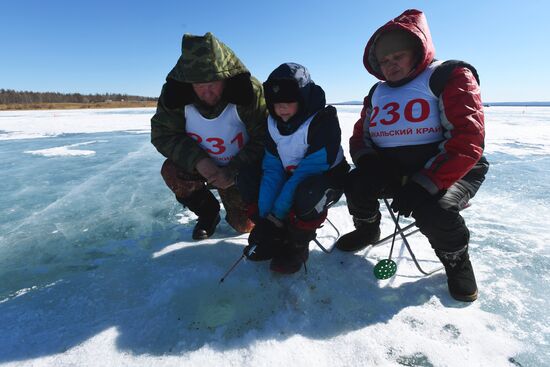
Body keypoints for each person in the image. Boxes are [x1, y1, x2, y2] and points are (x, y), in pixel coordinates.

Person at [335, 9, 489, 302]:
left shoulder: (448, 75)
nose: (391, 65)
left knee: (436, 209)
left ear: (418, 52)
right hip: (395, 170)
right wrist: (369, 163)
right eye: (385, 60)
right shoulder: (377, 91)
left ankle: (456, 262)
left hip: (453, 170)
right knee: (356, 183)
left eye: (398, 57)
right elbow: (360, 136)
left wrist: (425, 182)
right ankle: (367, 230)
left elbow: (467, 140)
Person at [151, 32, 267, 240]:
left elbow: (266, 137)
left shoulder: (249, 92)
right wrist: (199, 161)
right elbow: (163, 135)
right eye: (199, 84)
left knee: (243, 225)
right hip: (202, 168)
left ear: (226, 76)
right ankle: (208, 213)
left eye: (214, 82)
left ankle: (237, 207)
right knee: (171, 170)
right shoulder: (175, 96)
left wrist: (234, 170)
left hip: (241, 171)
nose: (207, 91)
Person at [242, 63, 350, 274]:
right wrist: (266, 218)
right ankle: (273, 238)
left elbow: (306, 173)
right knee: (247, 177)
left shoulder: (323, 122)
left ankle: (297, 245)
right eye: (276, 102)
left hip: (326, 179)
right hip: (290, 175)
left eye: (288, 101)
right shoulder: (272, 124)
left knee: (307, 193)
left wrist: (276, 216)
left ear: (302, 98)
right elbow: (272, 168)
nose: (281, 108)